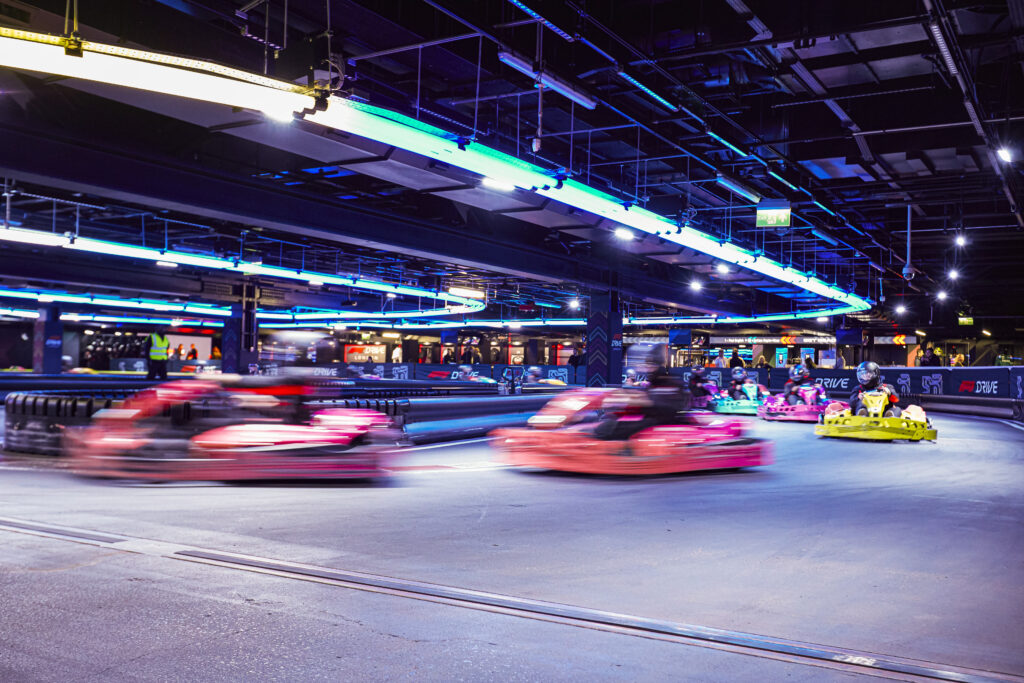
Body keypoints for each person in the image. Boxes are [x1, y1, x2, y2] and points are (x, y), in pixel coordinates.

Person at [596, 345, 687, 441]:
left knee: (609, 428)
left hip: (660, 423)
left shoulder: (667, 381)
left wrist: (622, 400)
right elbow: (647, 395)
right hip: (652, 419)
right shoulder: (656, 379)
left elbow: (651, 401)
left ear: (654, 364)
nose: (644, 368)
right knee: (611, 420)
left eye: (648, 364)